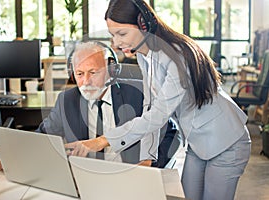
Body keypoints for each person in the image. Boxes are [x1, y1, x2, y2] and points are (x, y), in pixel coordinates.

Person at [65, 1, 251, 200]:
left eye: (122, 34)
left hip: (226, 141)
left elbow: (157, 116)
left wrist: (101, 141)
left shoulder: (176, 57)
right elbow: (150, 106)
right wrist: (148, 157)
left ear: (143, 24)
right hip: (198, 142)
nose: (116, 43)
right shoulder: (145, 56)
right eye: (113, 35)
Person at [0, 41, 177, 170]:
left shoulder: (138, 94)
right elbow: (41, 138)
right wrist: (9, 156)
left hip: (128, 176)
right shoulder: (67, 101)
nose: (86, 81)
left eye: (93, 72)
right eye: (79, 73)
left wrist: (149, 165)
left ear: (111, 70)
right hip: (85, 179)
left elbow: (170, 132)